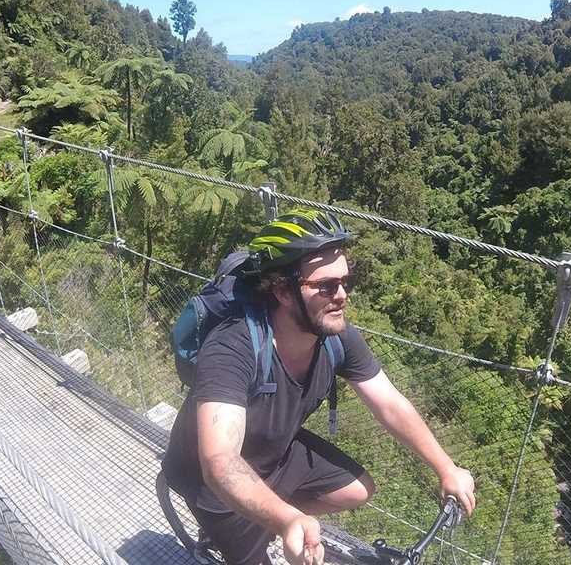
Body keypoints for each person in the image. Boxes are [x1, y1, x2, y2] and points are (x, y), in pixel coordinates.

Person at [162, 208, 475, 565]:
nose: (342, 295)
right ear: (281, 290)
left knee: (357, 489)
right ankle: (250, 525)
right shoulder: (233, 346)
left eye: (346, 281)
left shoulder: (334, 337)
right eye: (326, 286)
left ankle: (271, 517)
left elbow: (388, 403)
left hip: (273, 452)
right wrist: (287, 518)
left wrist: (446, 468)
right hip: (211, 486)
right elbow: (219, 462)